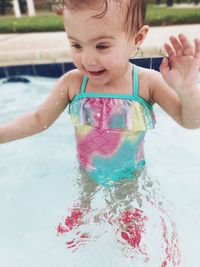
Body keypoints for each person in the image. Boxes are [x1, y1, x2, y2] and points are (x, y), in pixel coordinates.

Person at [1, 0, 200, 264]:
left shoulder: (146, 83)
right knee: (84, 198)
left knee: (126, 207)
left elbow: (190, 121)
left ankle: (128, 222)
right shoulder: (73, 82)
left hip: (130, 174)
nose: (87, 59)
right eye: (76, 45)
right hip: (87, 170)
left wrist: (187, 90)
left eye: (102, 45)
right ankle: (82, 211)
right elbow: (39, 119)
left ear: (137, 38)